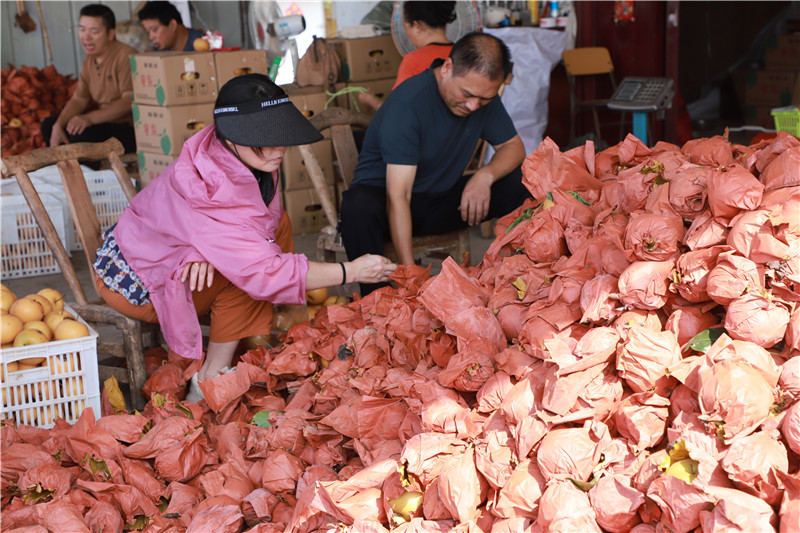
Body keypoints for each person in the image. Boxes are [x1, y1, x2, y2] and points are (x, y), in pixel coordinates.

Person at [91, 74, 397, 402]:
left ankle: (272, 324)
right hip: (133, 282)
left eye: (279, 134)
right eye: (264, 137)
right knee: (246, 278)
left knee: (275, 227)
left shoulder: (237, 154)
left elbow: (241, 226)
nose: (278, 147)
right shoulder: (213, 186)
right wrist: (353, 271)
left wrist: (203, 247)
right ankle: (209, 381)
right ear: (232, 136)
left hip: (160, 248)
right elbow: (262, 271)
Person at [340, 32, 528, 295]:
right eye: (467, 94)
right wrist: (410, 275)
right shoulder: (408, 104)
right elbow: (399, 196)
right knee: (356, 206)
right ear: (447, 68)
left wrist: (484, 176)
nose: (474, 106)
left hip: (437, 202)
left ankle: (522, 277)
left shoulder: (483, 98)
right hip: (385, 208)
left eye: (484, 99)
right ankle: (377, 301)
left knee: (522, 179)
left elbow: (514, 147)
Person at [41, 4, 137, 154]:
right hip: (103, 124)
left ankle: (83, 176)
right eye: (82, 29)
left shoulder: (125, 56)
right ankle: (66, 173)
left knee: (81, 135)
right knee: (49, 125)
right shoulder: (89, 60)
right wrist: (59, 125)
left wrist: (89, 119)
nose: (86, 37)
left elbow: (128, 101)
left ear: (111, 34)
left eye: (94, 31)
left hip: (128, 129)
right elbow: (79, 98)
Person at [358, 2, 456, 112]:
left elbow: (396, 112)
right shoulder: (462, 53)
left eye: (406, 28)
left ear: (417, 26)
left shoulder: (414, 60)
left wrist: (370, 100)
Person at [138, 1, 203, 52]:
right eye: (148, 32)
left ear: (172, 25)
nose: (151, 37)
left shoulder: (204, 47)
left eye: (154, 30)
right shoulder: (163, 52)